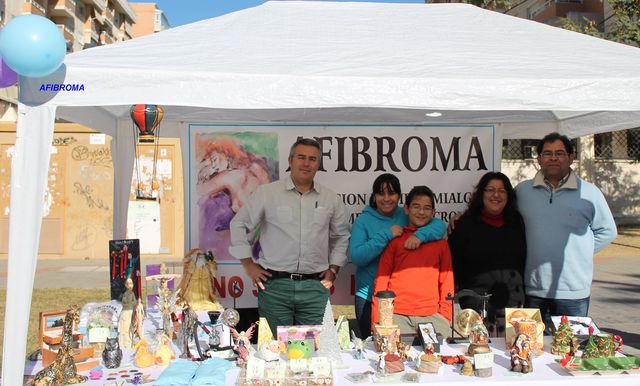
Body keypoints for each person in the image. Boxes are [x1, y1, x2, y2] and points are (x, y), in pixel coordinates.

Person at [229, 138, 350, 333]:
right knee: (274, 352)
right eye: (301, 157)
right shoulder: (268, 193)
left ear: (318, 164)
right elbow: (238, 224)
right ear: (290, 160)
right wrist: (248, 265)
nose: (306, 163)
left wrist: (334, 270)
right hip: (275, 287)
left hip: (314, 288)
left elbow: (341, 236)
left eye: (312, 159)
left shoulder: (330, 199)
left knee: (315, 351)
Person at [515, 132, 617, 329]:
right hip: (533, 291)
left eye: (560, 153)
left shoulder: (589, 193)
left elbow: (607, 231)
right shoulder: (522, 191)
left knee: (569, 354)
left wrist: (579, 251)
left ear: (571, 157)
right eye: (547, 153)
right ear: (539, 159)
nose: (553, 158)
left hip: (573, 294)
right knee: (530, 352)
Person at [349, 174, 446, 338]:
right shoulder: (363, 221)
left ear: (399, 196)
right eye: (381, 193)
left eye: (392, 193)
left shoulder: (406, 214)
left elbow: (438, 225)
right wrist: (386, 235)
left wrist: (419, 236)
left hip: (398, 300)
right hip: (368, 294)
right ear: (374, 196)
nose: (386, 198)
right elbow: (357, 256)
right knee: (373, 344)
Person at [448, 171, 526, 336]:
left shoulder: (517, 223)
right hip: (474, 309)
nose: (496, 195)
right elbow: (453, 265)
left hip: (513, 308)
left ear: (508, 196)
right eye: (490, 190)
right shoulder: (463, 225)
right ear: (481, 194)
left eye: (501, 190)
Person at [371, 186, 454, 336]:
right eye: (416, 206)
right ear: (407, 209)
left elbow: (447, 281)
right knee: (395, 358)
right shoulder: (396, 241)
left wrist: (446, 317)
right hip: (397, 316)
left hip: (433, 316)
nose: (421, 212)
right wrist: (378, 320)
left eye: (427, 208)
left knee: (434, 359)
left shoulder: (441, 244)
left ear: (434, 213)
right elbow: (382, 281)